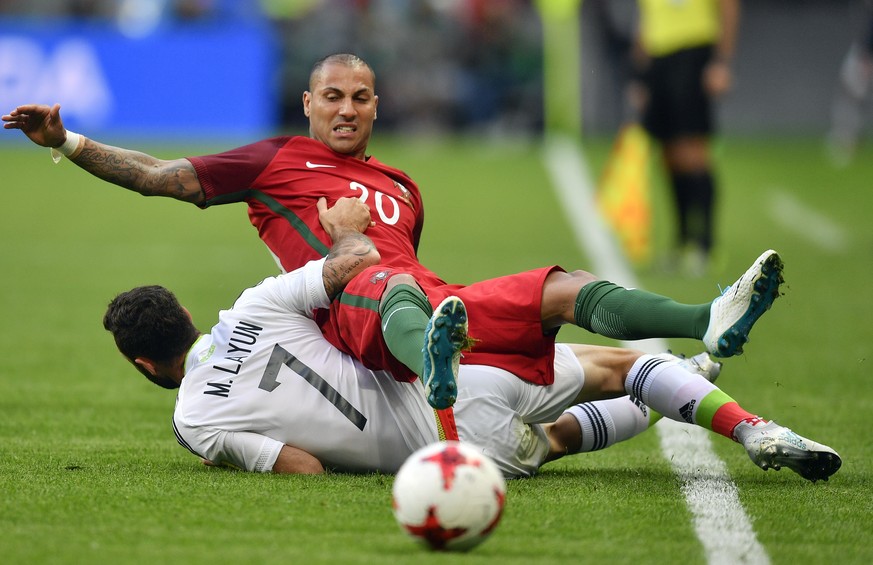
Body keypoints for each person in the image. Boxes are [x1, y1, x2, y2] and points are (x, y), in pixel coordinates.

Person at [3, 53, 781, 413]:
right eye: (333, 96)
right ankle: (436, 376)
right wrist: (69, 144)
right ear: (308, 103)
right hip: (345, 305)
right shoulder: (273, 160)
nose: (346, 108)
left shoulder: (402, 186)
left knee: (558, 287)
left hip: (418, 302)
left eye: (361, 97)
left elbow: (413, 269)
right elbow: (155, 174)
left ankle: (700, 318)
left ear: (377, 107)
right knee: (389, 278)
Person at [102, 196, 841, 481]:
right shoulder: (252, 306)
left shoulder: (194, 420)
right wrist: (346, 234)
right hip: (453, 379)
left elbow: (301, 466)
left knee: (548, 440)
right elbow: (354, 263)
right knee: (622, 364)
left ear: (144, 362)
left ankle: (691, 367)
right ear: (188, 317)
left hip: (441, 449)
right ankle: (742, 415)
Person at [632, 0, 740, 275]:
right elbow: (647, 19)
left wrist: (721, 62)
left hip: (693, 53)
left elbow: (728, 7)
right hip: (659, 57)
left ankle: (706, 245)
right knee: (668, 154)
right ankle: (681, 242)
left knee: (692, 150)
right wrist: (640, 75)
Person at [826, 1, 873, 167]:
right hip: (863, 53)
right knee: (849, 95)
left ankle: (848, 138)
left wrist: (866, 56)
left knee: (850, 95)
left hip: (865, 56)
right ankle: (847, 138)